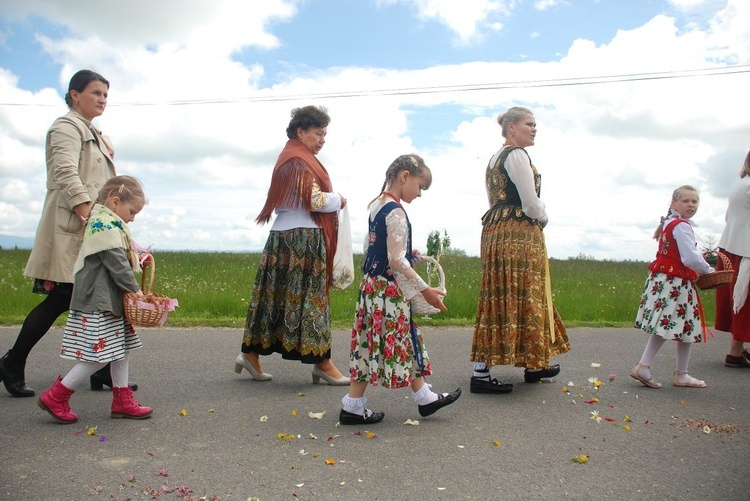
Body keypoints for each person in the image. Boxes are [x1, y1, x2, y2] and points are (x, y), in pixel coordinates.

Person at [0, 69, 135, 397]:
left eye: (106, 95)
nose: (102, 99)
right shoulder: (66, 127)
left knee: (98, 295)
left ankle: (101, 369)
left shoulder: (95, 133)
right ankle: (12, 361)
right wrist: (88, 215)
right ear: (75, 95)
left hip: (93, 226)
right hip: (74, 226)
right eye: (95, 93)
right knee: (62, 296)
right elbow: (65, 173)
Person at [339, 154, 460, 425]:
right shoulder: (396, 211)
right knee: (398, 339)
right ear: (405, 176)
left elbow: (371, 248)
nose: (419, 194)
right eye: (419, 186)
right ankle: (356, 407)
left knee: (377, 342)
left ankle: (419, 398)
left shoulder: (377, 205)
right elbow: (395, 261)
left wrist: (406, 252)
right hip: (388, 291)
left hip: (372, 285)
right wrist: (425, 289)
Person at [235, 105, 349, 385]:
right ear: (301, 131)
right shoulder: (299, 160)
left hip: (281, 237)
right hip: (303, 238)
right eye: (318, 133)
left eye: (325, 134)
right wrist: (339, 199)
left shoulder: (290, 156)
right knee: (313, 300)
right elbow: (314, 201)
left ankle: (250, 355)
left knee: (272, 297)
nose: (322, 139)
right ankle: (322, 362)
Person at [470, 107, 570, 394]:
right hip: (517, 231)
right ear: (511, 128)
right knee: (522, 291)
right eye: (529, 124)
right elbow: (530, 203)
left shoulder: (495, 158)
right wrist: (544, 217)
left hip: (496, 230)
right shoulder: (516, 155)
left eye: (535, 124)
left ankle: (533, 363)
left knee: (502, 291)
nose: (535, 128)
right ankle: (482, 373)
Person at [37, 176, 152, 423]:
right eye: (132, 211)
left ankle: (122, 400)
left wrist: (139, 259)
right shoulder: (106, 226)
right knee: (99, 355)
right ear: (114, 201)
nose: (133, 217)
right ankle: (57, 395)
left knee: (121, 349)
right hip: (99, 303)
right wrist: (136, 291)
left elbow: (119, 258)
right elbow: (117, 264)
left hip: (109, 301)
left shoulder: (106, 223)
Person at [631, 185, 714, 389]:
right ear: (674, 203)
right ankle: (649, 366)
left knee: (685, 325)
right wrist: (708, 270)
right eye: (686, 201)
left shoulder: (670, 223)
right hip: (675, 282)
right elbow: (689, 257)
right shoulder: (681, 226)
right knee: (670, 323)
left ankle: (679, 373)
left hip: (667, 279)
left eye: (694, 201)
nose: (691, 205)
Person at [715, 150, 750, 368]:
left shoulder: (741, 184)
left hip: (732, 244)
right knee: (744, 301)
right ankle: (735, 352)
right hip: (745, 248)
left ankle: (736, 351)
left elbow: (729, 216)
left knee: (740, 300)